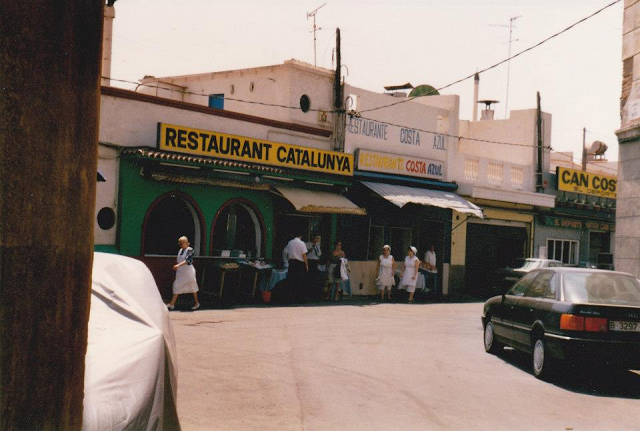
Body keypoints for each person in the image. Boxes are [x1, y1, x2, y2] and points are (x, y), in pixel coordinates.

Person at [167, 236, 200, 310]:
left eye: (181, 243)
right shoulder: (180, 250)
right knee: (177, 286)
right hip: (181, 272)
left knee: (193, 287)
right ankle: (172, 304)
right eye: (179, 243)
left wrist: (178, 265)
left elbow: (188, 260)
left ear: (186, 243)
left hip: (188, 272)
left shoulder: (190, 250)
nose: (180, 245)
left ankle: (196, 303)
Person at [285, 233, 308, 302]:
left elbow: (288, 254)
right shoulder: (302, 243)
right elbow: (304, 255)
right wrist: (306, 265)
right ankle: (299, 298)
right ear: (300, 236)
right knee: (300, 281)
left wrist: (289, 261)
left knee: (291, 280)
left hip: (292, 262)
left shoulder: (290, 242)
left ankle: (291, 298)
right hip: (300, 264)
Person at [306, 234, 322, 299]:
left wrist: (317, 251)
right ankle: (308, 294)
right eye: (316, 238)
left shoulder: (317, 245)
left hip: (315, 262)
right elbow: (304, 253)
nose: (317, 240)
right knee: (309, 277)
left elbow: (319, 254)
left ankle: (314, 294)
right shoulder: (307, 244)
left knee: (315, 277)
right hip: (309, 261)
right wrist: (309, 250)